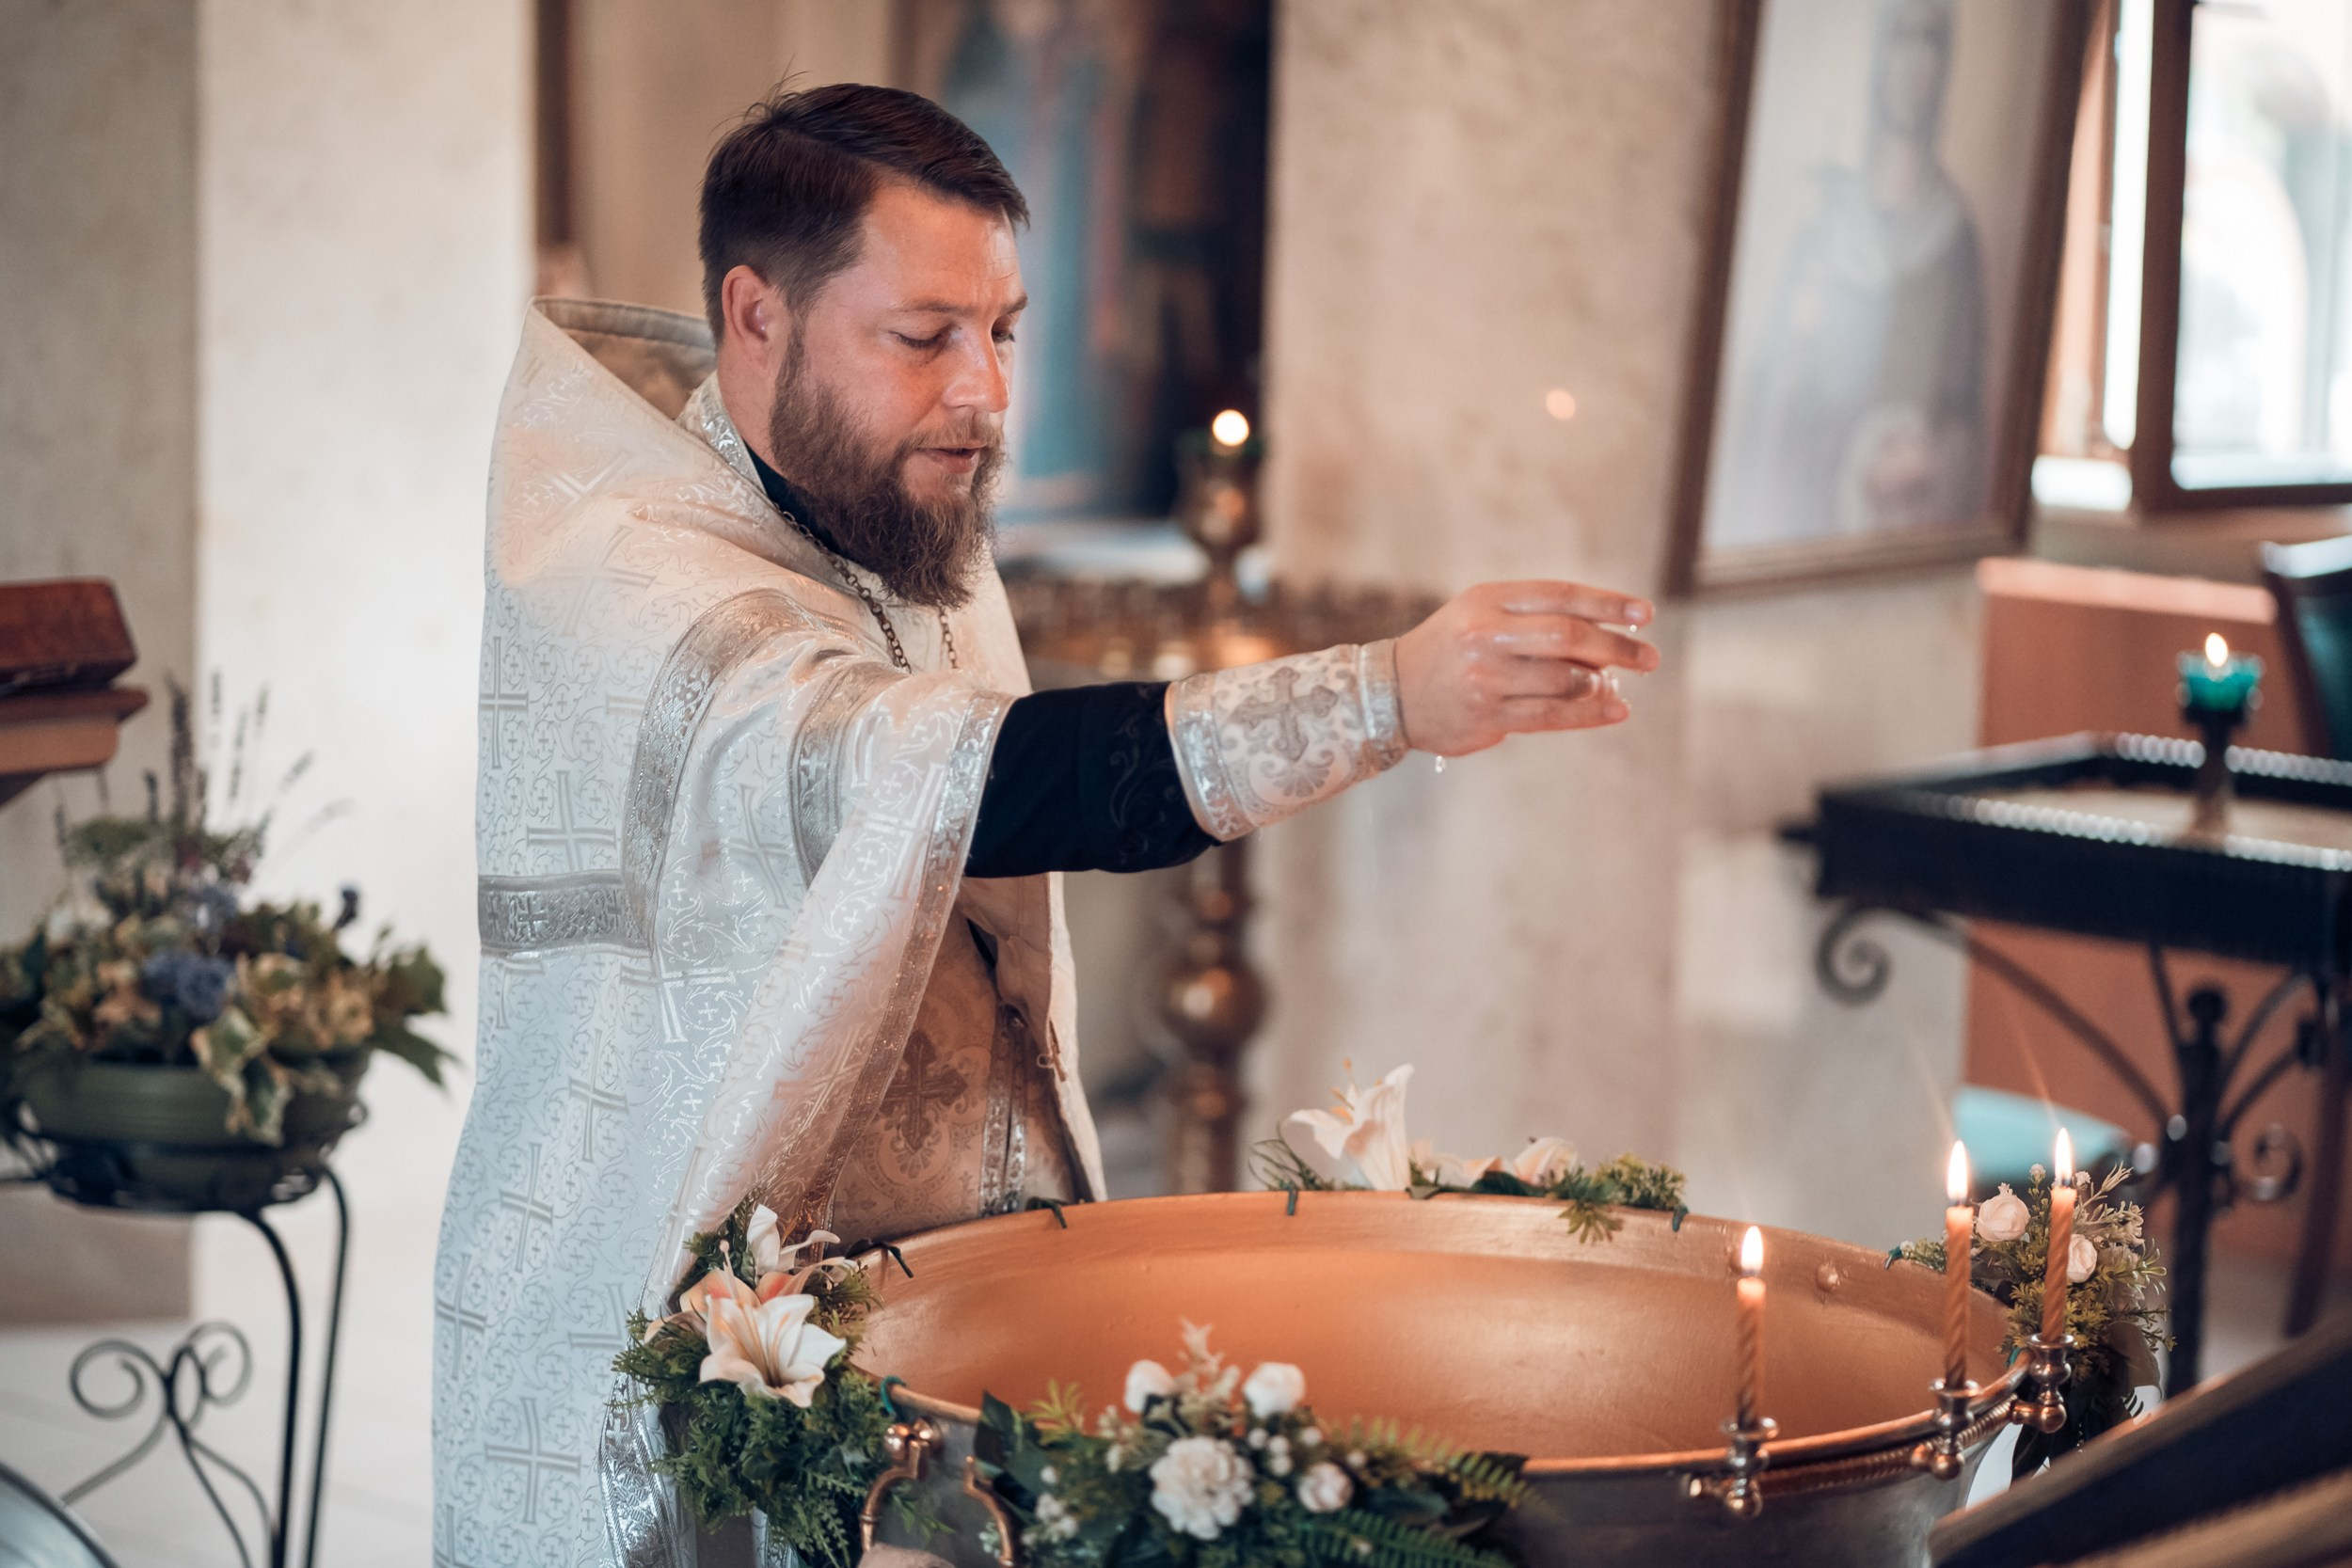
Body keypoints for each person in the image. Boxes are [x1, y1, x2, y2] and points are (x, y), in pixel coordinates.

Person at [432, 83, 1657, 1566]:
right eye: (925, 335)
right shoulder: (637, 583)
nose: (988, 395)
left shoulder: (874, 493)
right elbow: (976, 780)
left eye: (1004, 330)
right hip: (683, 1340)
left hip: (924, 1323)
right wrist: (1383, 696)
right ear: (756, 316)